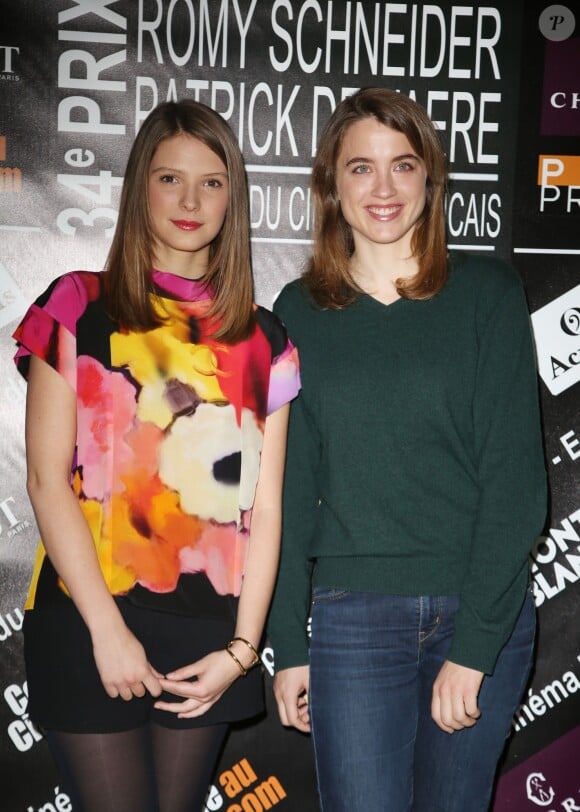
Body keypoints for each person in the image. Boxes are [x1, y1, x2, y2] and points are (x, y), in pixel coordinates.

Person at [13, 99, 300, 812]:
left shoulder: (265, 340)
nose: (190, 200)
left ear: (233, 196)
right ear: (140, 185)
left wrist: (242, 653)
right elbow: (46, 480)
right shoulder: (78, 303)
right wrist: (106, 634)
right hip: (86, 618)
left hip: (207, 636)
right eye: (171, 178)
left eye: (211, 182)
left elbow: (265, 512)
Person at [267, 87, 547, 812]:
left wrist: (475, 646)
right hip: (353, 617)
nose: (383, 188)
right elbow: (290, 492)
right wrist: (287, 643)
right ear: (332, 185)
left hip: (481, 610)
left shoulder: (488, 294)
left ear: (431, 178)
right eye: (361, 168)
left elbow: (515, 485)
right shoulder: (300, 311)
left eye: (404, 165)